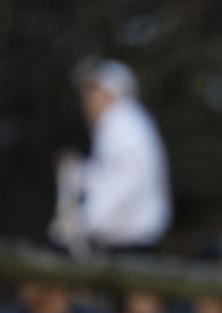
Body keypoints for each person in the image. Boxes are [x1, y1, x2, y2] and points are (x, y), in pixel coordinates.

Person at [49, 59, 172, 256]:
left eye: (93, 91)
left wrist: (81, 223)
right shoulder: (124, 124)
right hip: (125, 241)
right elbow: (107, 176)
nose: (86, 100)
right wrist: (76, 171)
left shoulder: (123, 124)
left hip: (129, 243)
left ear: (110, 92)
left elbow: (122, 184)